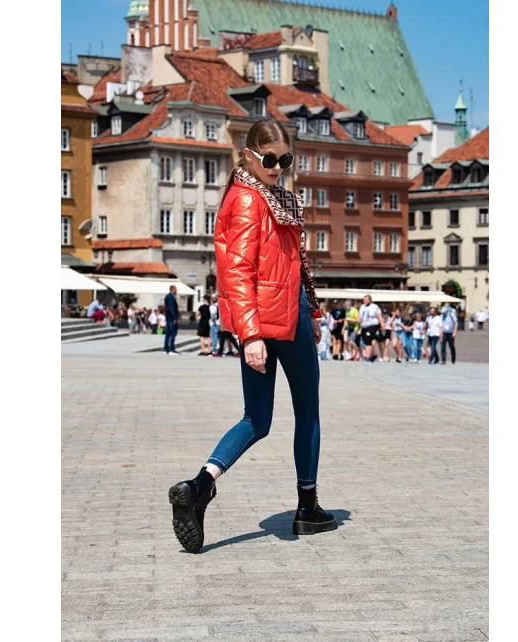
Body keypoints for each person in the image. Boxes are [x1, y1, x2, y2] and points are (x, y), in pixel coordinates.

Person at [169, 119, 337, 554]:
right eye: (270, 159)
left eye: (285, 159)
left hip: (284, 316)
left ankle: (200, 486)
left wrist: (311, 310)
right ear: (248, 156)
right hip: (276, 322)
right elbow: (236, 272)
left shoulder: (268, 196)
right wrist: (250, 335)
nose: (277, 167)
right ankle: (307, 507)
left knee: (257, 419)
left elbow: (293, 264)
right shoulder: (248, 199)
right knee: (307, 411)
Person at [358, 294, 384, 362]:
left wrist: (382, 325)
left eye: (366, 300)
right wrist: (359, 325)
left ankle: (368, 357)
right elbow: (360, 317)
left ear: (370, 300)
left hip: (372, 325)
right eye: (364, 300)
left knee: (368, 341)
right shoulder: (362, 307)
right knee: (366, 341)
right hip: (364, 326)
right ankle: (373, 355)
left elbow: (379, 317)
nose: (364, 301)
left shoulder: (375, 307)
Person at [163, 285, 180, 354]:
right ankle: (171, 349)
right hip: (171, 317)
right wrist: (174, 318)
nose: (176, 291)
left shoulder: (168, 296)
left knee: (168, 333)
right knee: (173, 333)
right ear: (173, 289)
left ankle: (166, 348)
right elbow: (171, 308)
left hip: (168, 317)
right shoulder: (171, 297)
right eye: (175, 289)